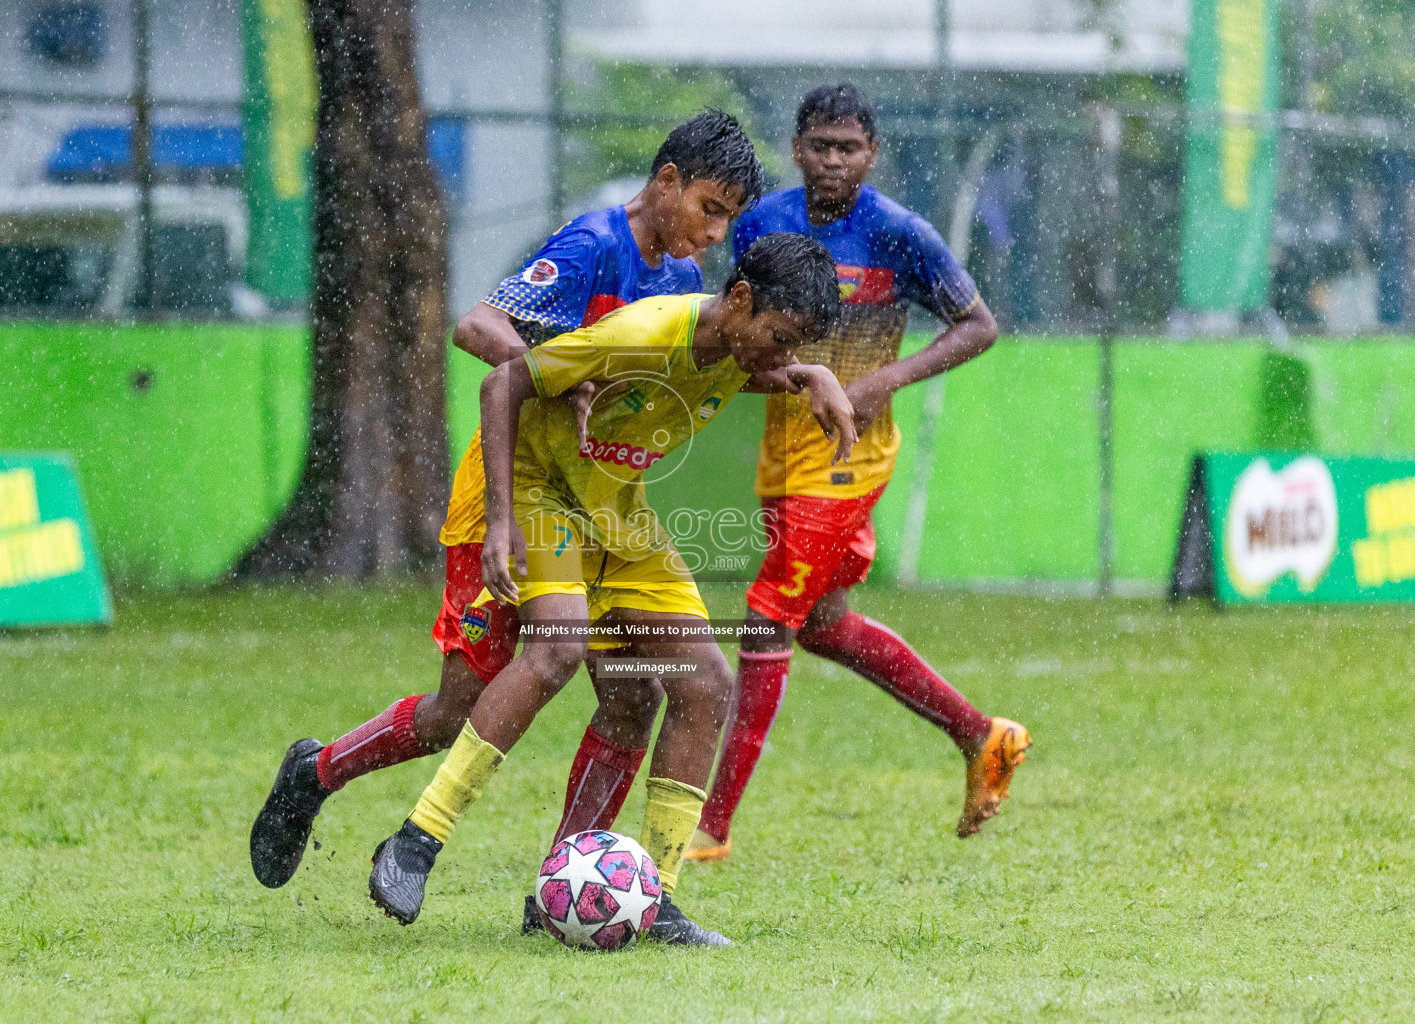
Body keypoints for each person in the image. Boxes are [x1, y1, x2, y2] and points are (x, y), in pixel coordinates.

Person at [249, 112, 764, 894]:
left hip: (594, 516)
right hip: (511, 494)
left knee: (634, 695)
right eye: (710, 207)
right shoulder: (593, 245)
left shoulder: (685, 284)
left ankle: (567, 889)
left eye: (728, 218)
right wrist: (556, 369)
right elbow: (477, 324)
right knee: (457, 710)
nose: (715, 231)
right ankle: (316, 772)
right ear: (666, 181)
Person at [367, 233, 855, 946]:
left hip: (618, 513)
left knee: (705, 682)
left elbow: (745, 371)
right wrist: (501, 520)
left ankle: (654, 899)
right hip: (545, 496)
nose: (779, 357)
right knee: (557, 649)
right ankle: (418, 840)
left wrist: (814, 372)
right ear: (740, 300)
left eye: (793, 346)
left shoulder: (740, 347)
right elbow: (502, 383)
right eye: (779, 339)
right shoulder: (642, 332)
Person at [685, 83, 1031, 865]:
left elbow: (979, 326)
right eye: (820, 145)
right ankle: (984, 737)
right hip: (784, 450)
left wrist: (885, 381)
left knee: (768, 613)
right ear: (797, 147)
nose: (833, 161)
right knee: (824, 625)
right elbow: (730, 319)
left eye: (848, 148)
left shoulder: (900, 234)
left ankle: (712, 826)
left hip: (849, 458)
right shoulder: (762, 224)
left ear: (872, 155)